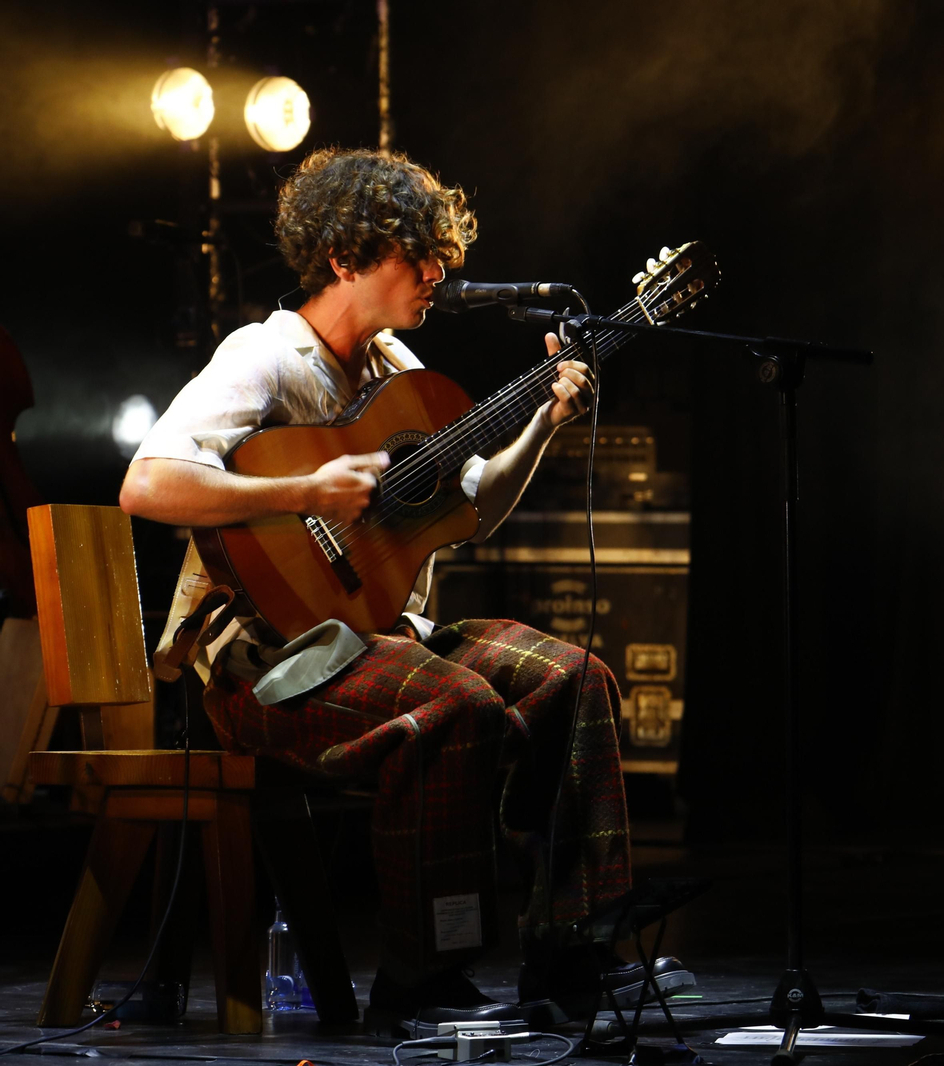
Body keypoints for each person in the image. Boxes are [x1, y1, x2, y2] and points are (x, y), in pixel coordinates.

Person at [119, 146, 688, 1031]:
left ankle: (573, 945)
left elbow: (472, 512)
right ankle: (422, 977)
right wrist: (302, 491)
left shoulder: (400, 374)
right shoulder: (265, 356)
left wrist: (544, 421)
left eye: (438, 253)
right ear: (345, 258)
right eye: (411, 255)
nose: (437, 271)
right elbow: (147, 484)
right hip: (259, 663)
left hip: (378, 637)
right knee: (455, 704)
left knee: (574, 678)